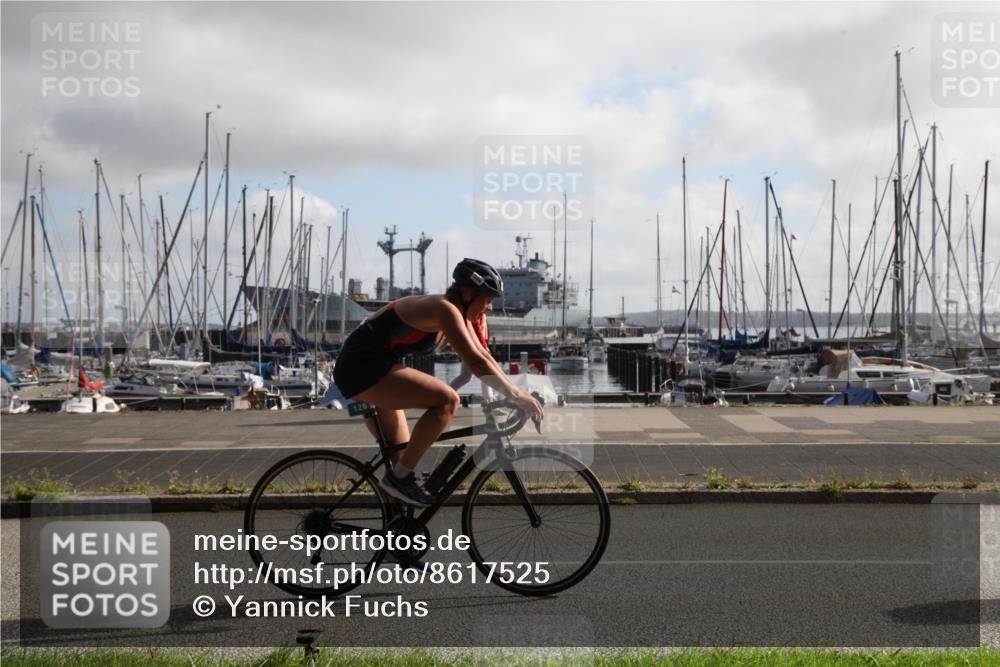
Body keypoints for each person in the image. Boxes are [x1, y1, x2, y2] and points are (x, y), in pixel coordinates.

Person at [333, 258, 544, 507]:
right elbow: (475, 363)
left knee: (402, 462)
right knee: (447, 400)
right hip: (361, 366)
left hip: (376, 366)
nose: (489, 308)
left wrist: (518, 392)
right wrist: (516, 396)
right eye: (488, 299)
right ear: (468, 293)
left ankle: (397, 523)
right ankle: (398, 482)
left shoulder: (459, 313)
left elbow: (484, 356)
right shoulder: (444, 309)